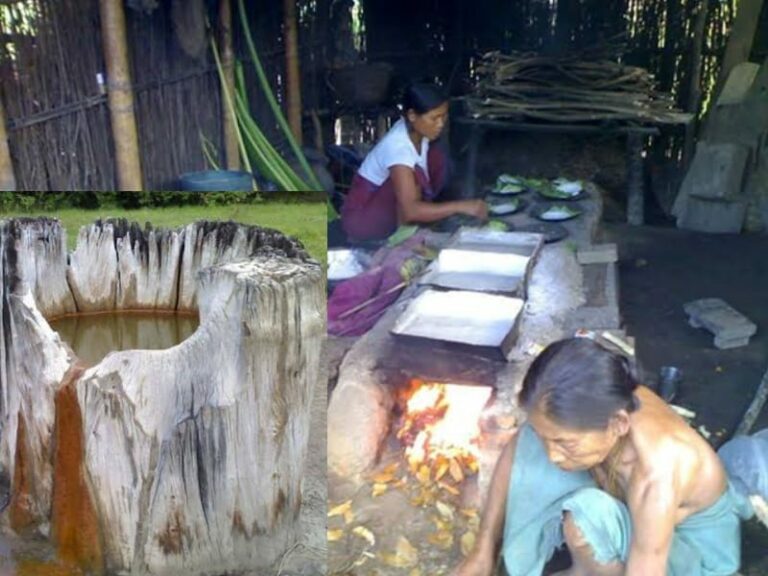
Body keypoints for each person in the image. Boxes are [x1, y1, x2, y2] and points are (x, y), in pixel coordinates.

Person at [454, 338, 753, 576]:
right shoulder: (604, 400)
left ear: (619, 424)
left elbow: (648, 567)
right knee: (532, 441)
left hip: (691, 553)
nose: (553, 456)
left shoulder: (658, 470)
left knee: (587, 517)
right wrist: (482, 551)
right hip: (634, 506)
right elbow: (523, 447)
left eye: (565, 444)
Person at [340, 83, 488, 241]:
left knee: (436, 158)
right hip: (364, 220)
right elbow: (410, 210)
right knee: (413, 177)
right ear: (412, 115)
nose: (440, 124)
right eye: (434, 118)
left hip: (388, 212)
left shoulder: (417, 133)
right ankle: (401, 238)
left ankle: (413, 228)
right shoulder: (398, 148)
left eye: (443, 116)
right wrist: (461, 206)